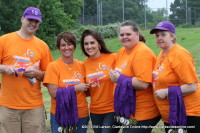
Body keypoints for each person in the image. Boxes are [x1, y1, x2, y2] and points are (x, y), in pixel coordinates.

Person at [0, 7, 53, 133]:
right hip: (8, 106)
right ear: (22, 19)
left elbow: (50, 75)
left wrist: (37, 73)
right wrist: (5, 67)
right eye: (30, 19)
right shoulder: (4, 40)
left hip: (34, 107)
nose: (33, 23)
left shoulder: (42, 46)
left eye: (36, 21)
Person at [109, 21, 161, 133]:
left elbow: (142, 84)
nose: (124, 37)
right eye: (122, 35)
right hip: (129, 109)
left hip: (143, 113)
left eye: (128, 34)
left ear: (137, 34)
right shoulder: (122, 51)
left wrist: (119, 79)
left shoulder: (142, 53)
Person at [150, 21, 200, 133]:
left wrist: (166, 92)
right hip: (172, 111)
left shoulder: (180, 55)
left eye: (163, 34)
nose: (159, 38)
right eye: (157, 35)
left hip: (188, 112)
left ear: (172, 36)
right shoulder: (162, 53)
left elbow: (192, 86)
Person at [43, 31, 89, 133]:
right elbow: (53, 93)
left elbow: (88, 91)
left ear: (74, 46)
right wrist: (75, 88)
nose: (66, 47)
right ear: (59, 48)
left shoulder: (82, 65)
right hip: (60, 113)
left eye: (69, 44)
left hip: (81, 114)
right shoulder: (53, 66)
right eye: (63, 45)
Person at [80, 29, 118, 133]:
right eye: (86, 44)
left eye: (92, 43)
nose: (89, 46)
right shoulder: (85, 64)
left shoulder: (113, 58)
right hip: (95, 111)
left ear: (99, 43)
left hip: (112, 110)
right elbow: (87, 90)